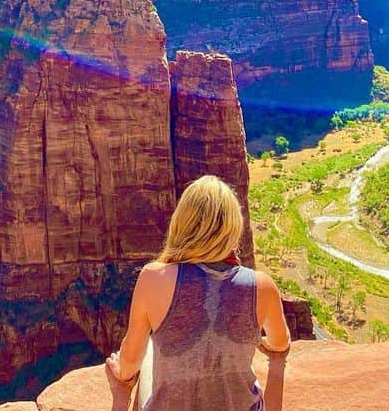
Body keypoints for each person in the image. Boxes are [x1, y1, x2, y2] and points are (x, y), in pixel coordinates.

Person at [105, 175, 292, 410]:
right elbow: (280, 343)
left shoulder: (153, 277)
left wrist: (120, 383)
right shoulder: (262, 286)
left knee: (150, 348)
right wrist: (262, 348)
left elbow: (130, 363)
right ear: (234, 227)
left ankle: (120, 399)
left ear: (182, 224)